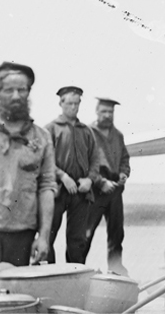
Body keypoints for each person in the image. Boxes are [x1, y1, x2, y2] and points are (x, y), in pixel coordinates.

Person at [0, 62, 56, 267]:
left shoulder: (42, 138)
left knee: (18, 295)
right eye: (9, 90)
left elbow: (47, 187)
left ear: (28, 92)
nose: (16, 96)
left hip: (23, 231)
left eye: (22, 89)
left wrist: (43, 237)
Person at [46, 86, 102, 263]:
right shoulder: (50, 129)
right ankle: (49, 276)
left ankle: (75, 276)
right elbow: (44, 160)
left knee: (77, 240)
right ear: (60, 103)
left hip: (80, 192)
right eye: (69, 103)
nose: (73, 107)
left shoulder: (86, 131)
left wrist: (90, 180)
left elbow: (95, 160)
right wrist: (62, 176)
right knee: (48, 235)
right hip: (56, 191)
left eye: (77, 103)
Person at [84, 97, 131, 275]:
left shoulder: (117, 135)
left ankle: (115, 266)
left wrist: (124, 173)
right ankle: (78, 267)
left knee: (116, 233)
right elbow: (83, 162)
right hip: (95, 191)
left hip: (115, 191)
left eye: (110, 112)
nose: (107, 115)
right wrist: (101, 182)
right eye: (104, 111)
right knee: (86, 232)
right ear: (96, 111)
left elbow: (125, 158)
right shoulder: (88, 132)